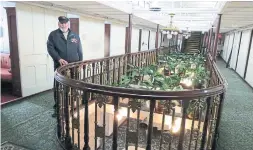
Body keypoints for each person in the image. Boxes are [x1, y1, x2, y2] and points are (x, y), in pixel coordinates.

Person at [47, 16, 83, 117]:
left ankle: (73, 104)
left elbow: (79, 50)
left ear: (68, 24)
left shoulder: (75, 36)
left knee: (74, 84)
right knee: (59, 86)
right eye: (61, 23)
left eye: (65, 23)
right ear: (58, 24)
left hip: (74, 65)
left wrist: (80, 62)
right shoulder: (53, 35)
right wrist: (58, 58)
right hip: (60, 66)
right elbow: (50, 48)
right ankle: (58, 107)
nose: (63, 25)